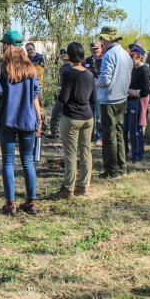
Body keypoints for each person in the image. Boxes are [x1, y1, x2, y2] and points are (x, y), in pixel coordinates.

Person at [0, 30, 44, 215]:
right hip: (28, 120)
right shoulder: (31, 69)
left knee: (8, 162)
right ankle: (31, 203)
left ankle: (10, 205)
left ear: (5, 45)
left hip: (7, 121)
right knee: (28, 161)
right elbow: (35, 95)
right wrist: (39, 117)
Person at [56, 42, 97, 199]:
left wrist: (58, 92)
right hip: (87, 117)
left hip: (72, 117)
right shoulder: (89, 74)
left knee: (71, 153)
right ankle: (84, 186)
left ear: (70, 55)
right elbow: (94, 98)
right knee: (86, 151)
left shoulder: (68, 73)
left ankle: (68, 188)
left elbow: (64, 98)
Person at [96, 26, 133, 178]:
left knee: (109, 135)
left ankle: (112, 170)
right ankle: (122, 167)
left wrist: (97, 83)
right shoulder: (126, 54)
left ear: (106, 39)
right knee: (119, 134)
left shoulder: (109, 54)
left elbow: (105, 79)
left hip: (109, 100)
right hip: (122, 98)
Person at [124, 45, 150, 162]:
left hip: (138, 102)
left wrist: (130, 92)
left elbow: (146, 91)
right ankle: (128, 153)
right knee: (127, 129)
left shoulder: (144, 70)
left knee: (136, 130)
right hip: (129, 101)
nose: (130, 59)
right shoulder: (132, 69)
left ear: (139, 57)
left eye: (132, 57)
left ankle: (137, 155)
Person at [48, 48, 71, 142]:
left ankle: (58, 133)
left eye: (65, 53)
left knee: (61, 114)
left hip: (68, 93)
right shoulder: (63, 67)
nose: (63, 55)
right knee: (56, 114)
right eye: (61, 53)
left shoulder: (70, 66)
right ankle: (55, 133)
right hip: (61, 92)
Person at [83, 42, 104, 144]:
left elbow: (100, 74)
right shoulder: (87, 60)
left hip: (100, 92)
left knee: (99, 116)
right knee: (90, 115)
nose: (95, 50)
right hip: (88, 91)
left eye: (97, 48)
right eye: (93, 49)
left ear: (101, 48)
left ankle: (99, 137)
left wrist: (91, 71)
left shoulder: (104, 59)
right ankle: (90, 136)